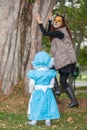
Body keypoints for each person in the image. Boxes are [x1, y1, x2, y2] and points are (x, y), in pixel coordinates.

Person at [36, 13, 79, 108]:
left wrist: (40, 22)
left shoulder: (60, 32)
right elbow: (50, 31)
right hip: (68, 60)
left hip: (65, 60)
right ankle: (73, 101)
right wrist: (51, 20)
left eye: (59, 21)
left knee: (50, 69)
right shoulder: (61, 31)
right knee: (63, 81)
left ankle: (57, 89)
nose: (56, 22)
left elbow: (46, 33)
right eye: (56, 20)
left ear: (63, 23)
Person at [27, 51, 60, 126]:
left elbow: (31, 83)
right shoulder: (50, 73)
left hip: (38, 91)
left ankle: (34, 121)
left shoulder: (34, 73)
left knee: (35, 105)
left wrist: (31, 90)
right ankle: (47, 121)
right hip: (48, 91)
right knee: (48, 105)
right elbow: (52, 82)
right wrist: (50, 87)